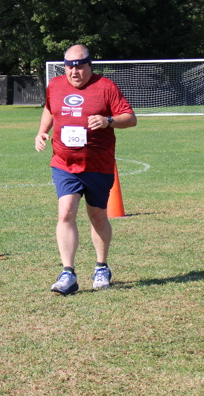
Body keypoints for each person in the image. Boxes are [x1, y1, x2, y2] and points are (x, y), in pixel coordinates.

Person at [35, 44, 137, 293]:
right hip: (64, 164)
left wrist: (108, 121)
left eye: (79, 67)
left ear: (89, 65)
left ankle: (101, 267)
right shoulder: (55, 85)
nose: (74, 72)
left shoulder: (106, 87)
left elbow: (130, 118)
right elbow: (49, 108)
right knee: (65, 212)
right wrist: (42, 131)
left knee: (97, 217)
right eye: (69, 67)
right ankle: (67, 273)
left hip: (98, 165)